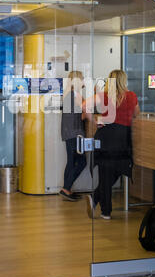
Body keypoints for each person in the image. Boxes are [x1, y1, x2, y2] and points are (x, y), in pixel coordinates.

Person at [86, 69, 140, 219]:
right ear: (124, 80)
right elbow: (136, 114)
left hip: (105, 136)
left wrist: (95, 120)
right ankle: (101, 206)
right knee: (118, 169)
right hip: (122, 138)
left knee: (106, 173)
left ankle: (101, 205)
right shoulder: (132, 96)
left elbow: (84, 106)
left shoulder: (104, 96)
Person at [60, 71, 87, 201]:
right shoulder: (76, 95)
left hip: (68, 133)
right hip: (75, 133)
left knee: (71, 161)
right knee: (81, 162)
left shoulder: (68, 94)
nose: (83, 82)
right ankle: (66, 188)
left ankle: (67, 189)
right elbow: (83, 115)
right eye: (82, 79)